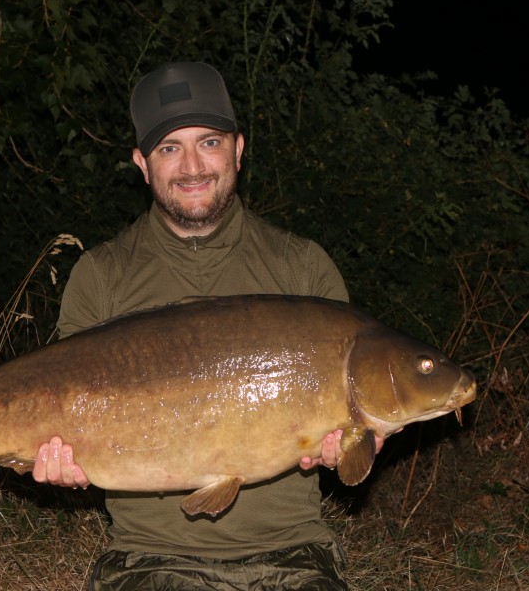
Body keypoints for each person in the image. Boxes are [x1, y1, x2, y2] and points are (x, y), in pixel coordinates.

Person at [33, 62, 384, 590]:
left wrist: (361, 442)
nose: (192, 166)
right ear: (142, 164)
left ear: (239, 149)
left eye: (210, 142)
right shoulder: (101, 276)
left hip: (291, 554)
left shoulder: (303, 268)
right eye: (169, 148)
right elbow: (62, 404)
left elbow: (359, 431)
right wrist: (57, 456)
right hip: (151, 558)